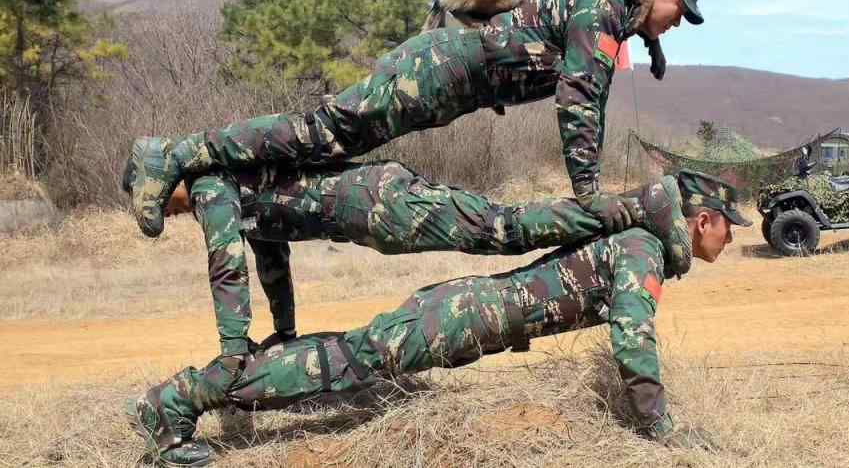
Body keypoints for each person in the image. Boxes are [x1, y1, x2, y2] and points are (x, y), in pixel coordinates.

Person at [128, 171, 751, 466]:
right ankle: (179, 399)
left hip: (465, 315)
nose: (730, 238)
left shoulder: (639, 243)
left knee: (348, 357)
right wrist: (658, 428)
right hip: (461, 318)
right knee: (344, 363)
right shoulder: (641, 250)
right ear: (701, 220)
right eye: (728, 225)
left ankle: (194, 394)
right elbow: (633, 341)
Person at [125, 0, 705, 240]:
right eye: (680, 7)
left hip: (445, 90)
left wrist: (651, 47)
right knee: (323, 132)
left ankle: (218, 176)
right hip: (435, 72)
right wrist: (587, 195)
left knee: (321, 147)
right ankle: (172, 153)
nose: (679, 21)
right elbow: (579, 100)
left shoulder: (617, 20)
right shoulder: (601, 5)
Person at [134, 157, 691, 360]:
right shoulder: (238, 193)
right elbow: (268, 265)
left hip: (380, 204)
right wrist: (284, 332)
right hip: (372, 214)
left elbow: (225, 267)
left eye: (169, 206)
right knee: (503, 229)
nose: (178, 214)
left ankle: (638, 204)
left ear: (167, 189)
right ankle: (631, 208)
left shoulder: (211, 186)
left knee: (503, 227)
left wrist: (234, 349)